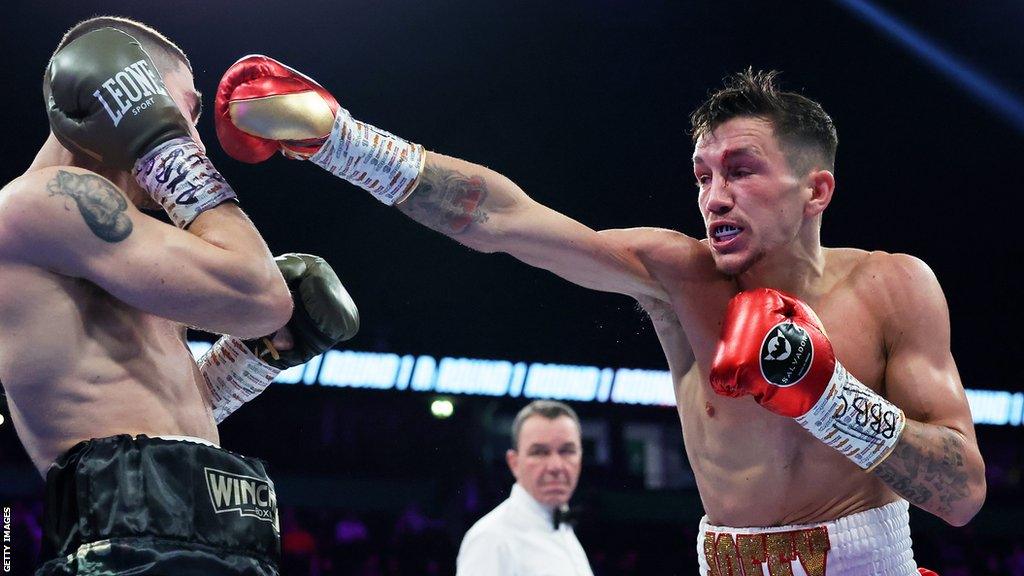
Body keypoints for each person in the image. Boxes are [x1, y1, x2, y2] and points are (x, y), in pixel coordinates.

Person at [216, 57, 985, 574]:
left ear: (815, 190)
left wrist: (824, 395)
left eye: (741, 170)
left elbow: (960, 495)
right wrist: (342, 141)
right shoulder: (677, 276)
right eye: (703, 174)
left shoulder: (894, 287)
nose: (714, 195)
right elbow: (500, 219)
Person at [0, 18, 358, 575]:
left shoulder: (132, 239)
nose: (191, 132)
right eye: (182, 108)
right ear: (120, 90)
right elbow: (261, 295)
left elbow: (170, 410)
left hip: (215, 528)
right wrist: (162, 144)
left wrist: (253, 358)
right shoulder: (41, 204)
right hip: (129, 546)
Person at [456, 400, 592, 576]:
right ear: (514, 463)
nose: (556, 466)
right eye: (539, 452)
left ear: (580, 457)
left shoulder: (563, 530)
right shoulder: (492, 539)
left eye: (567, 451)